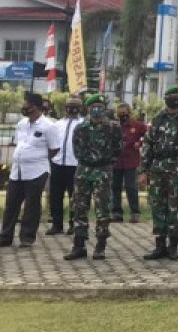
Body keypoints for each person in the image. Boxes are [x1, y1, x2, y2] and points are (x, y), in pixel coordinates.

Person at [140, 85, 178, 261]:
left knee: (175, 206)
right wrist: (143, 171)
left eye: (176, 96)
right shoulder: (157, 119)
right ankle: (159, 245)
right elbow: (147, 145)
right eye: (170, 96)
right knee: (157, 206)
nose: (173, 99)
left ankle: (173, 246)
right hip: (158, 168)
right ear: (165, 99)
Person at [63, 93, 122, 261]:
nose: (96, 111)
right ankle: (79, 245)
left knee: (102, 209)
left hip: (103, 171)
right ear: (88, 109)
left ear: (104, 109)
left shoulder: (113, 127)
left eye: (100, 108)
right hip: (83, 171)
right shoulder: (80, 128)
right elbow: (76, 150)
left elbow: (118, 150)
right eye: (93, 108)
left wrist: (105, 163)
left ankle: (100, 245)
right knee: (79, 208)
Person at [1, 93, 58, 248]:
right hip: (17, 171)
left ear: (36, 107)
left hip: (37, 171)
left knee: (32, 205)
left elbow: (54, 149)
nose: (24, 107)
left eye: (27, 104)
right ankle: (5, 237)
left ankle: (27, 238)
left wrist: (37, 157)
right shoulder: (22, 124)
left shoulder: (48, 126)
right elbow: (20, 143)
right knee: (11, 204)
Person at [45, 94, 83, 236]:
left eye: (74, 107)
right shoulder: (57, 124)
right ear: (65, 108)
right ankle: (57, 224)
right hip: (57, 163)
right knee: (56, 195)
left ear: (79, 108)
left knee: (75, 196)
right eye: (69, 106)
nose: (71, 109)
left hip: (75, 165)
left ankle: (74, 224)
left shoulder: (83, 124)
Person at [111, 103, 147, 224]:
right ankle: (116, 213)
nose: (123, 115)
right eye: (120, 113)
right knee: (115, 187)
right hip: (116, 162)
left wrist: (140, 142)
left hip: (131, 162)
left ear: (129, 112)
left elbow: (148, 135)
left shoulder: (137, 125)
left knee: (131, 187)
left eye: (125, 113)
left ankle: (135, 213)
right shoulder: (114, 126)